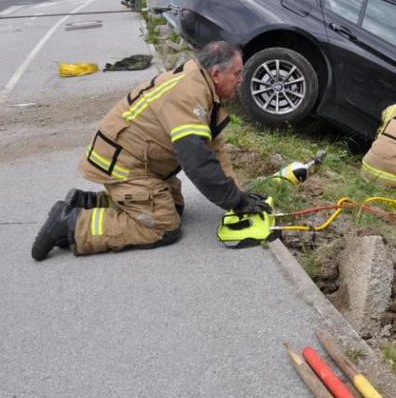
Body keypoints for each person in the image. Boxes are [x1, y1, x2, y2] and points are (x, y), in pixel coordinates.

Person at [31, 41, 271, 261]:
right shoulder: (190, 95)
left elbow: (215, 152)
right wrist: (236, 202)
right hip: (125, 167)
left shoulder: (200, 86)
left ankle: (88, 202)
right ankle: (70, 223)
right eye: (237, 74)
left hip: (137, 163)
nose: (240, 80)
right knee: (162, 226)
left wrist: (239, 196)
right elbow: (197, 162)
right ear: (217, 74)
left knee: (175, 208)